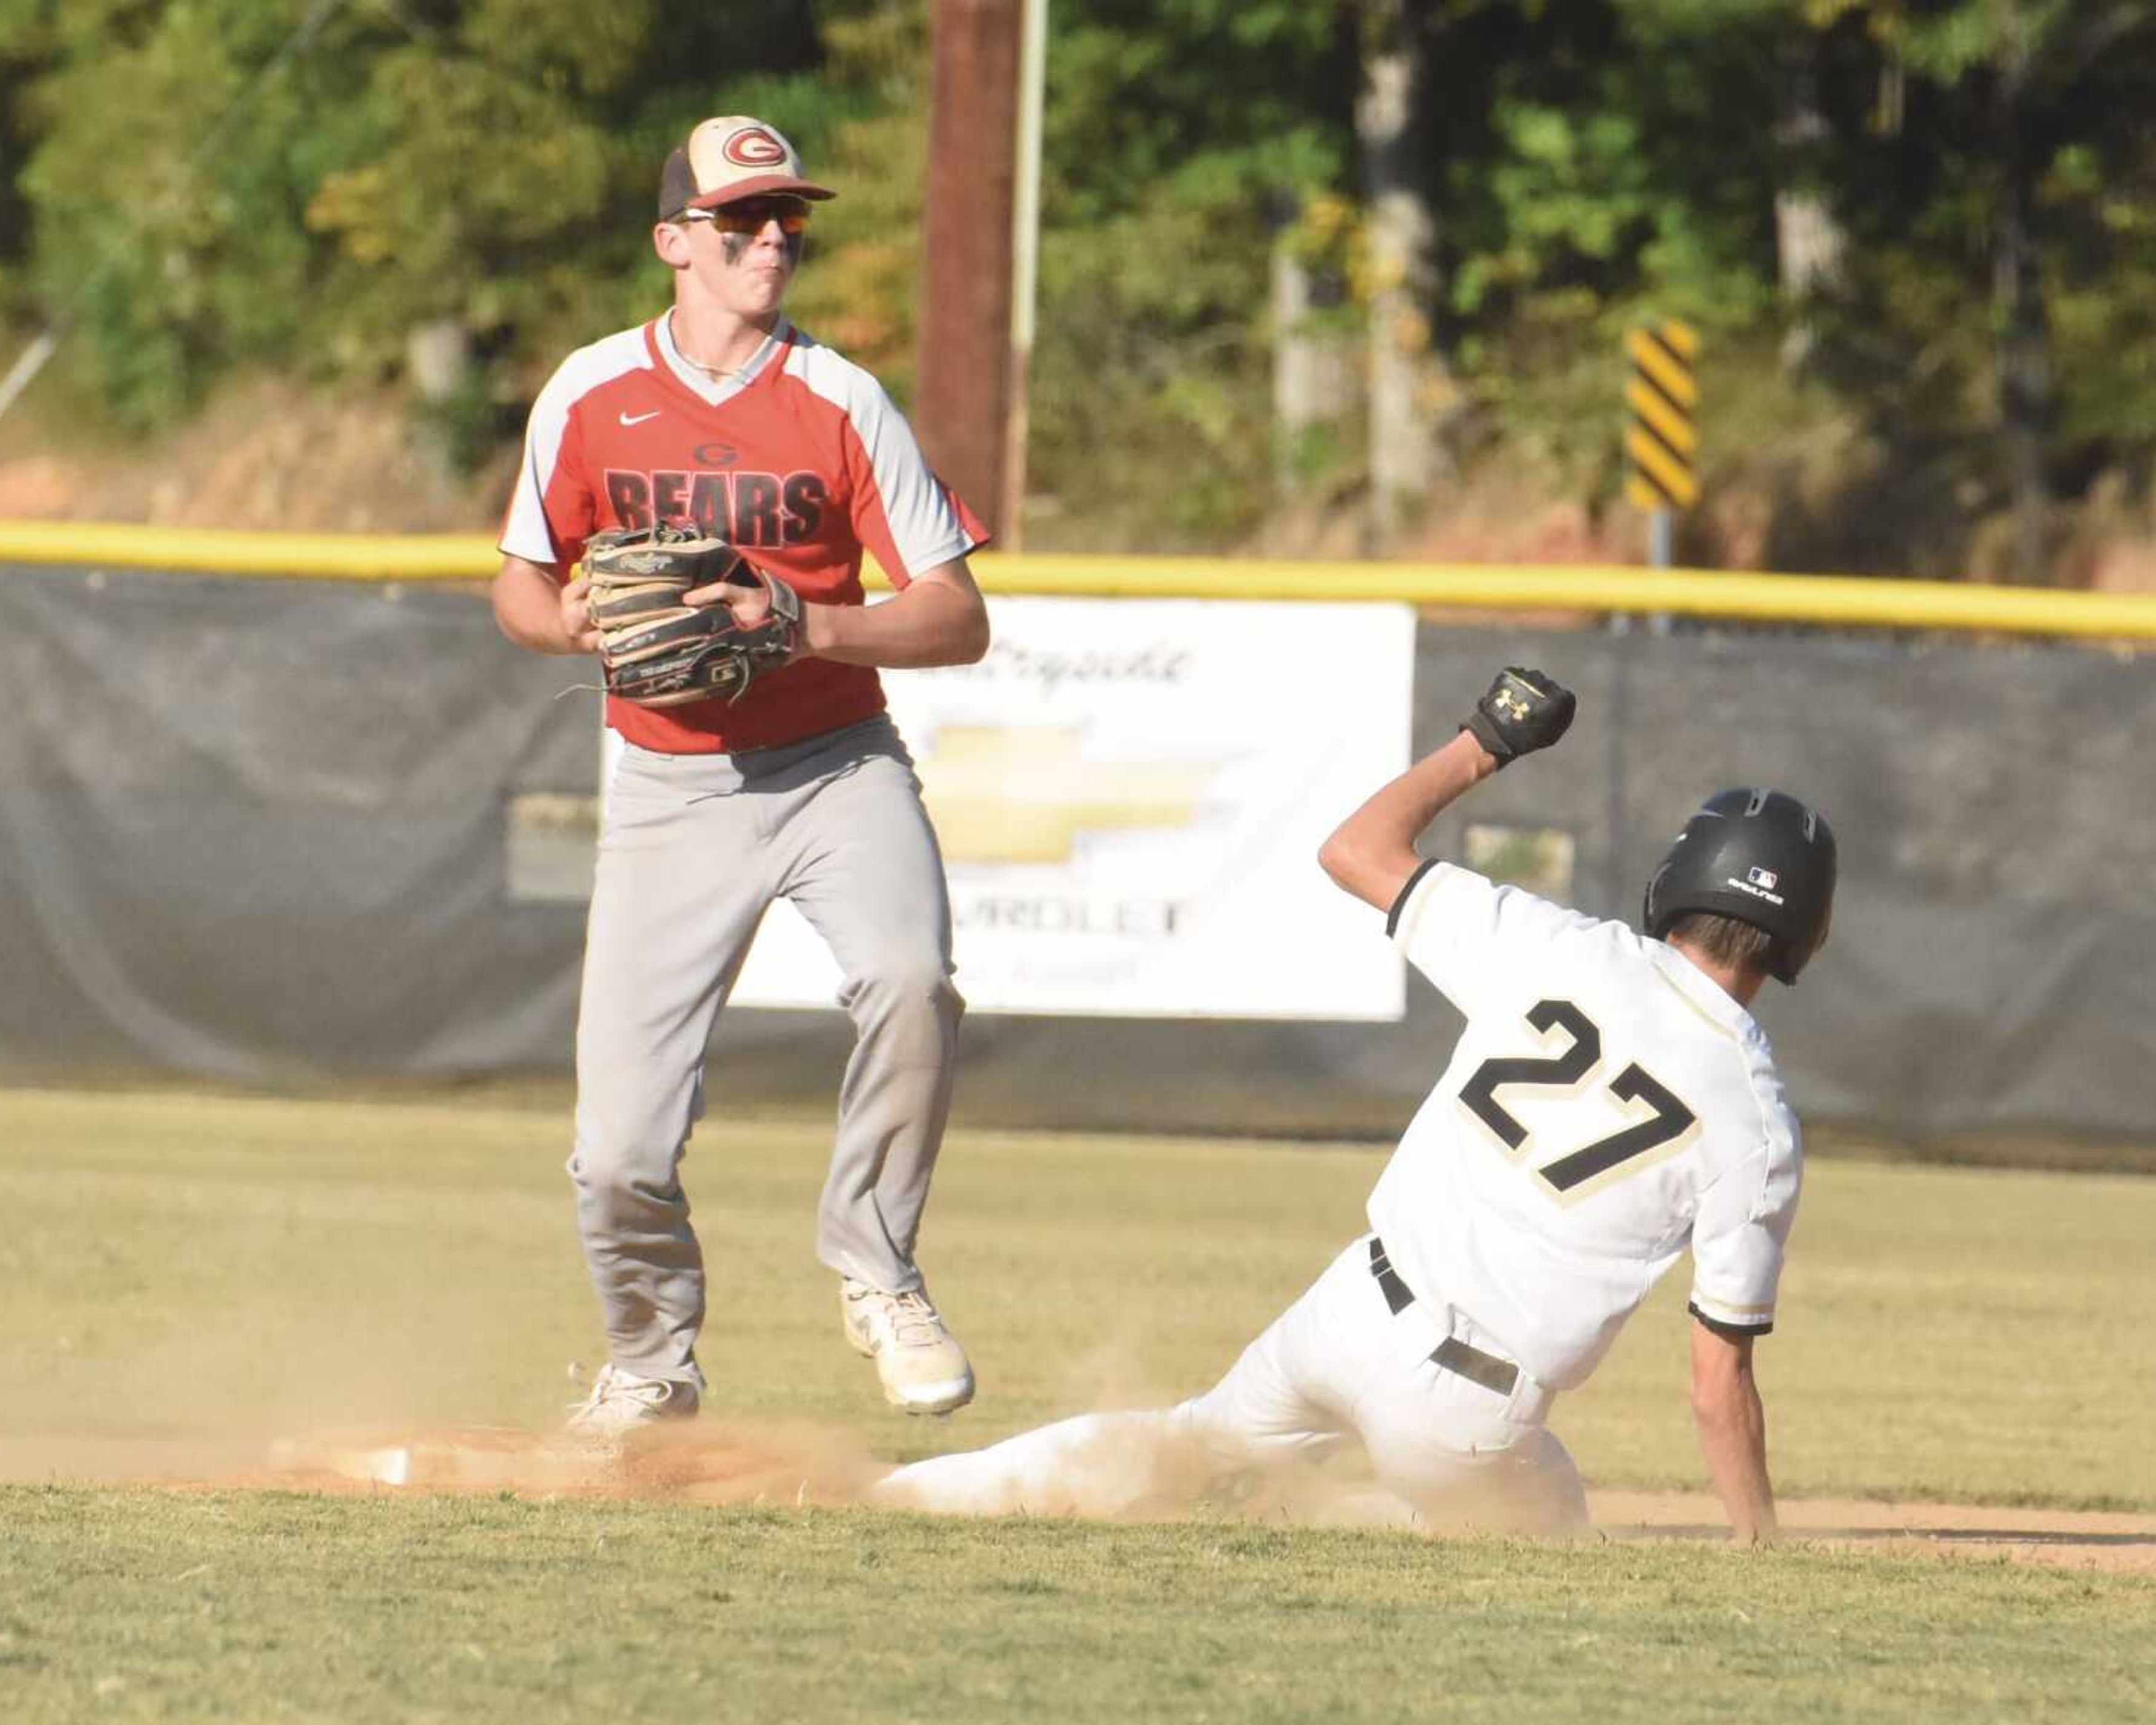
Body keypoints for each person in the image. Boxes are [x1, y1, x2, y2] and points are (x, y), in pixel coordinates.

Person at [876, 669, 1836, 1541]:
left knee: (1186, 1446)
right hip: (1466, 1412)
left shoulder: (1561, 948)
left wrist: (1485, 742)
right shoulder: (1754, 1118)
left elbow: (1354, 849)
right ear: (1802, 937)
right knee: (1554, 1535)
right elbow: (1720, 1385)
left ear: (1680, 878)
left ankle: (896, 1498)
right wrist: (1761, 1543)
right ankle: (1338, 1507)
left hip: (1348, 1313)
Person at [491, 116, 990, 1435]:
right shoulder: (590, 391)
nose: (773, 239)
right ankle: (652, 1360)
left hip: (836, 763)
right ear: (675, 243)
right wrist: (571, 625)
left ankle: (878, 1267)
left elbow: (957, 616)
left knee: (909, 979)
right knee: (618, 1149)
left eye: (789, 221)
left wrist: (804, 622)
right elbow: (521, 581)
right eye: (741, 221)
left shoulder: (840, 398)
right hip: (669, 786)